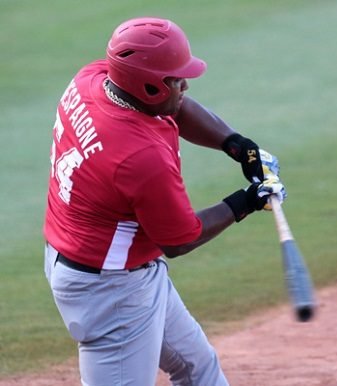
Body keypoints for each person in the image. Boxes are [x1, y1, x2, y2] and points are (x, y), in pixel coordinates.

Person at [43, 17, 285, 386]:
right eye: (174, 79)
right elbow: (179, 239)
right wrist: (247, 201)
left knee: (197, 368)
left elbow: (175, 105)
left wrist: (237, 146)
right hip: (110, 293)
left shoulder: (94, 80)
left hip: (100, 263)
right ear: (150, 86)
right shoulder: (140, 157)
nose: (184, 84)